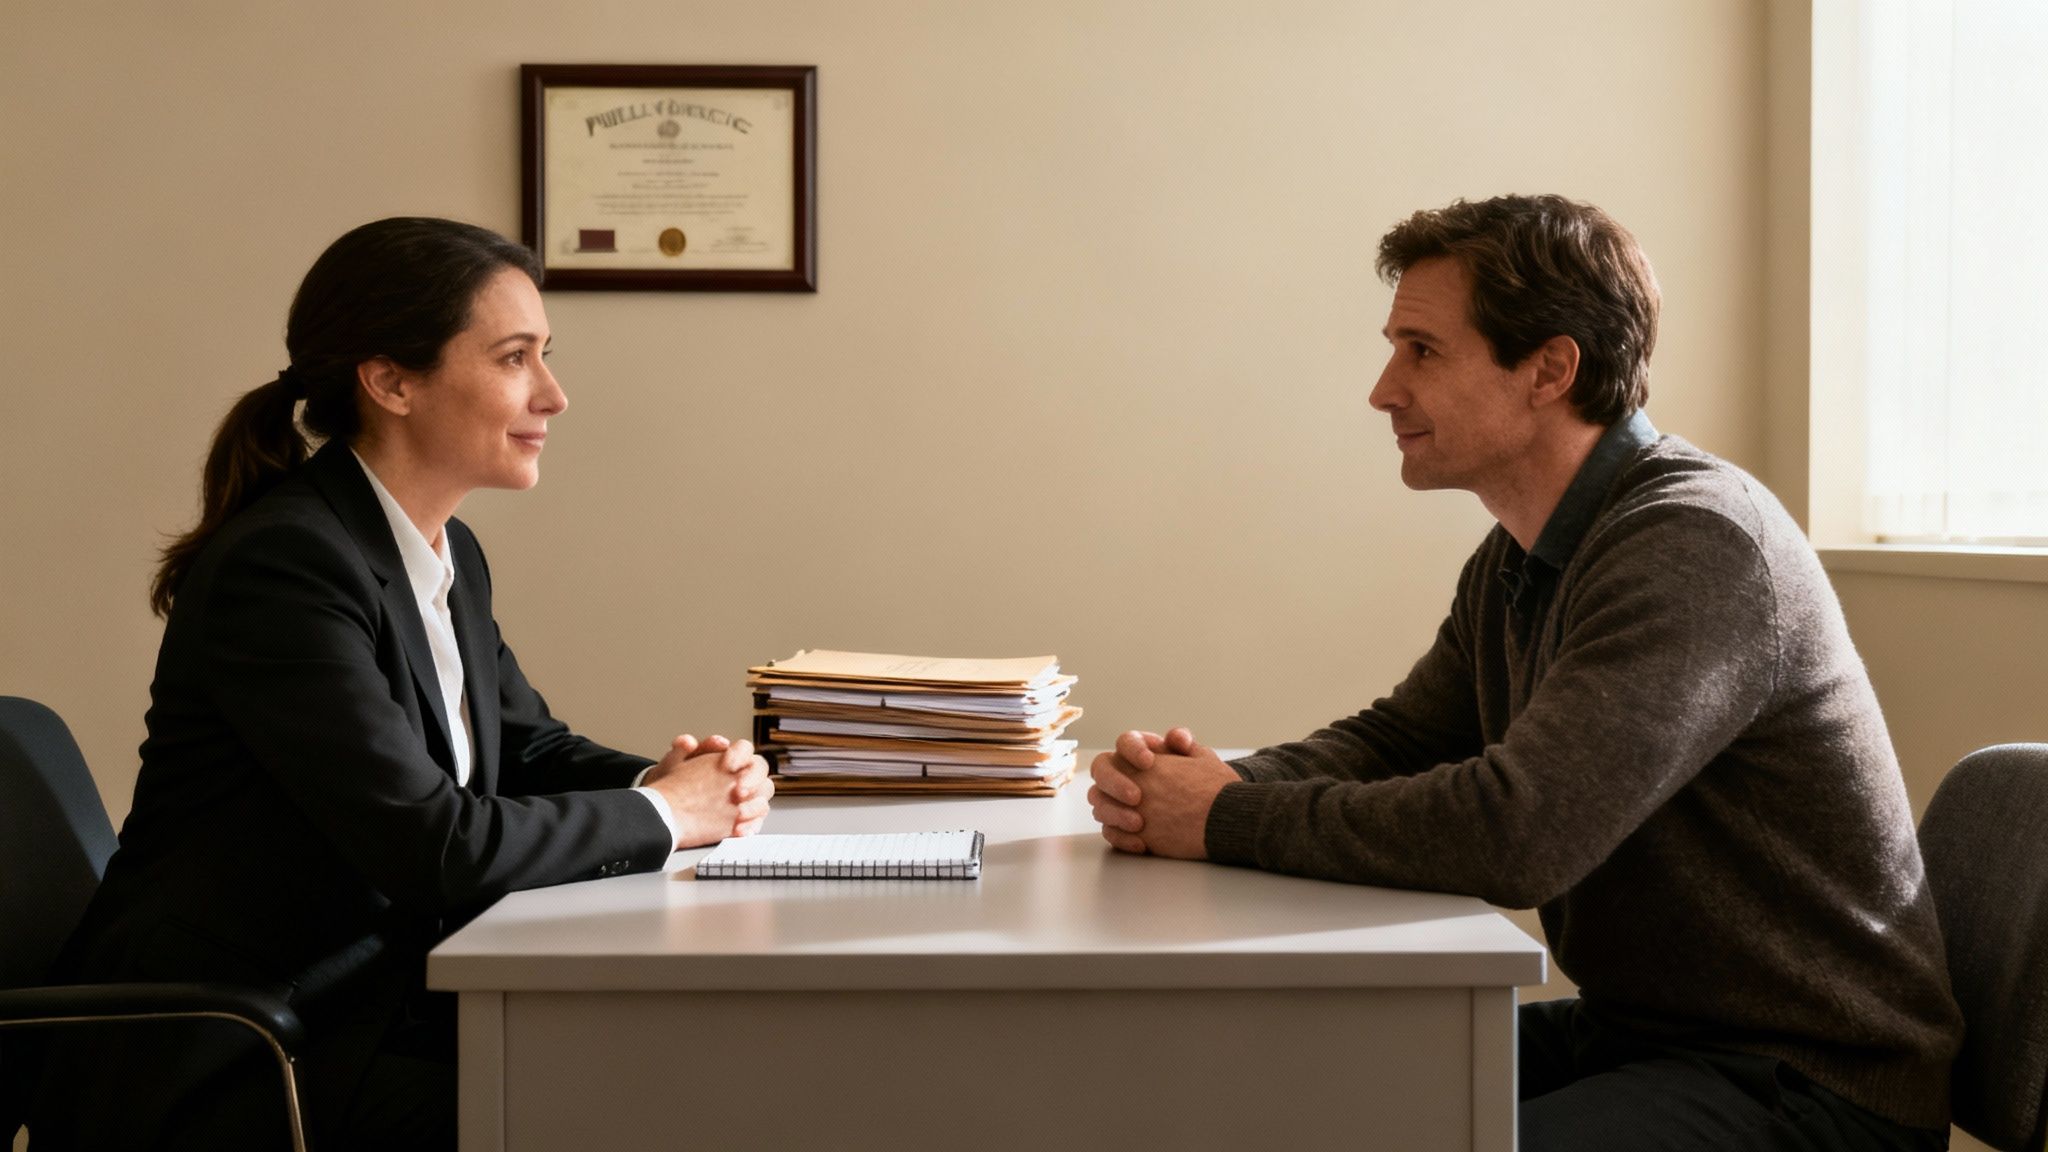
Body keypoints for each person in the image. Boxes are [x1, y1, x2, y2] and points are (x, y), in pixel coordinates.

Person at [1087, 195, 1962, 1150]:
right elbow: (1403, 739)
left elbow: (1519, 832)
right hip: (1646, 1038)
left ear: (1549, 369)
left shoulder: (1698, 543)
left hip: (1813, 1082)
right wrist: (1210, 783)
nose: (1383, 390)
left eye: (1423, 351)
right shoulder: (1524, 552)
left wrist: (1222, 818)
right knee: (1270, 1091)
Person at [29, 217, 772, 1150]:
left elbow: (524, 748)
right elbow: (434, 845)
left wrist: (673, 783)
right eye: (514, 358)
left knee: (679, 1065)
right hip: (243, 1053)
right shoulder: (286, 566)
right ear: (390, 382)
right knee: (646, 1102)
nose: (553, 394)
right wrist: (666, 814)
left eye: (545, 356)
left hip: (373, 1004)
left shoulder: (442, 548)